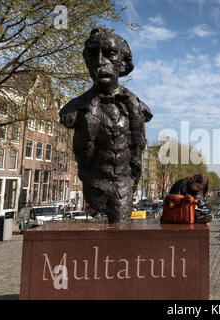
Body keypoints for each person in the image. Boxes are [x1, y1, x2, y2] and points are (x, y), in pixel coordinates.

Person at [59, 28, 153, 224]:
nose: (101, 61)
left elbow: (137, 148)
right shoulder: (73, 110)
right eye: (94, 54)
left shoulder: (137, 108)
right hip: (93, 183)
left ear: (123, 62)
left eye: (109, 54)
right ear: (88, 61)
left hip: (124, 186)